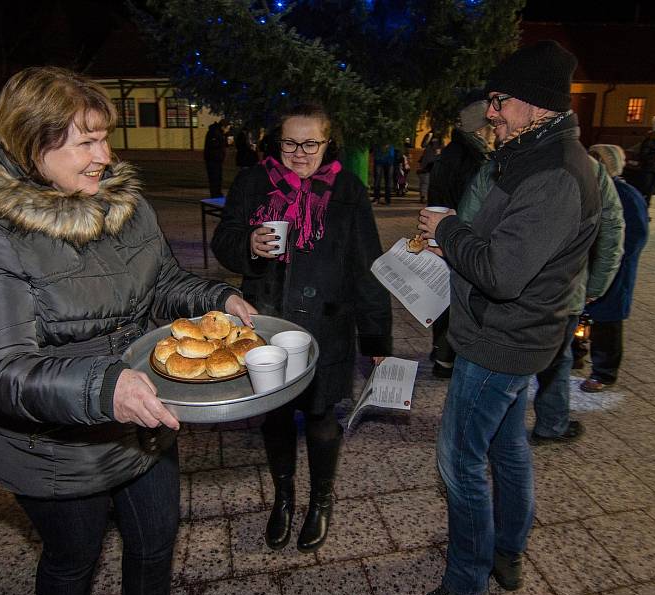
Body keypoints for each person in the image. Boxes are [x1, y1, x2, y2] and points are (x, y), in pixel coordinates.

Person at [0, 66, 255, 595]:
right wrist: (102, 385)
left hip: (142, 425)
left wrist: (216, 299)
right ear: (33, 143)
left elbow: (160, 282)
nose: (105, 156)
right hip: (54, 449)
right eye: (85, 141)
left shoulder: (125, 206)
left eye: (104, 137)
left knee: (156, 540)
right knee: (72, 563)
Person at [410, 41, 601, 595]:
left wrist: (449, 230)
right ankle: (507, 551)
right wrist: (457, 236)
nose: (490, 113)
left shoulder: (554, 174)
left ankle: (466, 584)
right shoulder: (534, 156)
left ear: (534, 105)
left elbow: (503, 272)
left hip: (503, 343)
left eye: (498, 102)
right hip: (516, 338)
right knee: (507, 448)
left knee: (459, 460)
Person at [211, 103, 392, 553]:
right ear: (278, 142)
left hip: (327, 325)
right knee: (274, 416)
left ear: (328, 144)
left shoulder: (348, 189)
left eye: (311, 143)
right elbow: (225, 244)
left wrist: (376, 338)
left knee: (320, 416)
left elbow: (368, 266)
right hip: (268, 321)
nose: (299, 153)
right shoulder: (254, 182)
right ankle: (285, 498)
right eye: (290, 142)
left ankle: (320, 500)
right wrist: (248, 244)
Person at [530, 155, 624, 443]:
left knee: (512, 364)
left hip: (513, 287)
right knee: (557, 360)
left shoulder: (510, 157)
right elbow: (611, 233)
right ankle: (551, 424)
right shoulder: (591, 170)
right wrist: (595, 287)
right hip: (564, 290)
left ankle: (501, 431)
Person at [426, 90, 494, 379]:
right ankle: (447, 358)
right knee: (458, 298)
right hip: (458, 235)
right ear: (482, 127)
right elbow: (477, 206)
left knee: (444, 296)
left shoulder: (451, 152)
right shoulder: (475, 158)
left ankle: (440, 353)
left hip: (443, 231)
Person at [581, 145, 650, 393]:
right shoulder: (591, 189)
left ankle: (604, 372)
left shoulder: (626, 194)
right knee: (579, 316)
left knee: (606, 322)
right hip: (586, 267)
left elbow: (635, 236)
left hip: (614, 271)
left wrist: (609, 261)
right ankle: (576, 355)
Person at [204, 119, 229, 197]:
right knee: (214, 178)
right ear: (222, 127)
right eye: (227, 128)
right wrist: (224, 142)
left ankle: (218, 193)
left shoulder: (219, 133)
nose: (228, 130)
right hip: (212, 159)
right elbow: (213, 145)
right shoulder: (214, 133)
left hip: (217, 159)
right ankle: (215, 194)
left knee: (218, 177)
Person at [416, 136, 441, 202]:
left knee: (424, 183)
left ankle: (423, 196)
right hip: (428, 168)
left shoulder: (429, 148)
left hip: (427, 167)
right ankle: (424, 196)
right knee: (425, 183)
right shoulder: (433, 149)